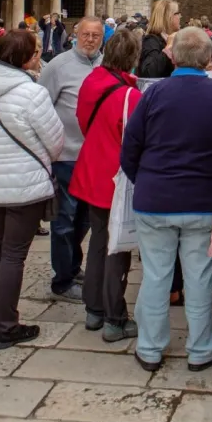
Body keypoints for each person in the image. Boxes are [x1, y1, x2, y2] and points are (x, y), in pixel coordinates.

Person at [121, 27, 212, 372]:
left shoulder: (154, 94)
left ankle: (150, 347)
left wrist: (145, 180)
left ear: (174, 57)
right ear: (208, 59)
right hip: (204, 201)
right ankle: (201, 348)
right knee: (200, 276)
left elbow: (130, 147)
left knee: (156, 275)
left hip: (156, 198)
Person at [0, 30, 64, 349]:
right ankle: (7, 326)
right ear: (26, 58)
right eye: (35, 52)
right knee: (13, 253)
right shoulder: (31, 93)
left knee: (2, 245)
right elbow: (56, 142)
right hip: (23, 185)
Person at [71, 28, 143, 342]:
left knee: (99, 241)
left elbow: (82, 120)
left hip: (91, 169)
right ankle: (115, 317)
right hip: (115, 178)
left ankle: (94, 309)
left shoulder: (91, 80)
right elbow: (136, 141)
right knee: (118, 247)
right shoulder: (130, 95)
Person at [39, 16, 104, 300]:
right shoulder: (58, 66)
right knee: (64, 218)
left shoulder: (105, 66)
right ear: (76, 35)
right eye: (85, 34)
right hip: (66, 155)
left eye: (95, 35)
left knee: (86, 218)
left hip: (95, 157)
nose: (90, 40)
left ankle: (72, 264)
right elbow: (42, 106)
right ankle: (62, 279)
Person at [138, 0, 181, 79]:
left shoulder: (170, 38)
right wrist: (168, 48)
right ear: (167, 17)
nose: (180, 16)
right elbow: (148, 73)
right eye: (177, 13)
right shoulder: (151, 41)